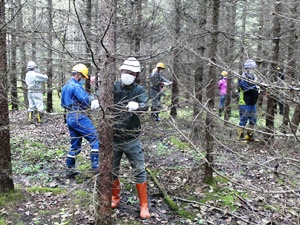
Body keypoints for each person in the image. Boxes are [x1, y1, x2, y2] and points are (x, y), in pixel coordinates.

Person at [111, 57, 150, 219]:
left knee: (139, 171)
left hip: (132, 138)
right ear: (121, 71)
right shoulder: (113, 86)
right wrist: (93, 100)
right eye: (125, 71)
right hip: (113, 138)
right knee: (112, 170)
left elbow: (146, 105)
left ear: (136, 75)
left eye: (131, 73)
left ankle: (144, 205)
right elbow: (98, 94)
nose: (127, 75)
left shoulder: (139, 90)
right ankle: (115, 197)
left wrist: (138, 106)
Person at [61, 63, 100, 178]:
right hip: (79, 116)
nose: (83, 80)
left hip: (69, 117)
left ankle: (69, 169)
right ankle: (96, 167)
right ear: (78, 75)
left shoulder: (65, 86)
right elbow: (86, 101)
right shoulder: (76, 86)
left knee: (75, 145)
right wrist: (93, 100)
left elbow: (63, 103)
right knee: (95, 138)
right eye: (83, 77)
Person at [237, 59, 259, 142]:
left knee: (253, 120)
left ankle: (250, 137)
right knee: (243, 120)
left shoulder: (255, 78)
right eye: (252, 68)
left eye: (254, 68)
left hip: (253, 102)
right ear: (247, 68)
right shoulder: (242, 78)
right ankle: (240, 137)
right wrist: (256, 87)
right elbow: (245, 89)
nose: (253, 70)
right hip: (244, 102)